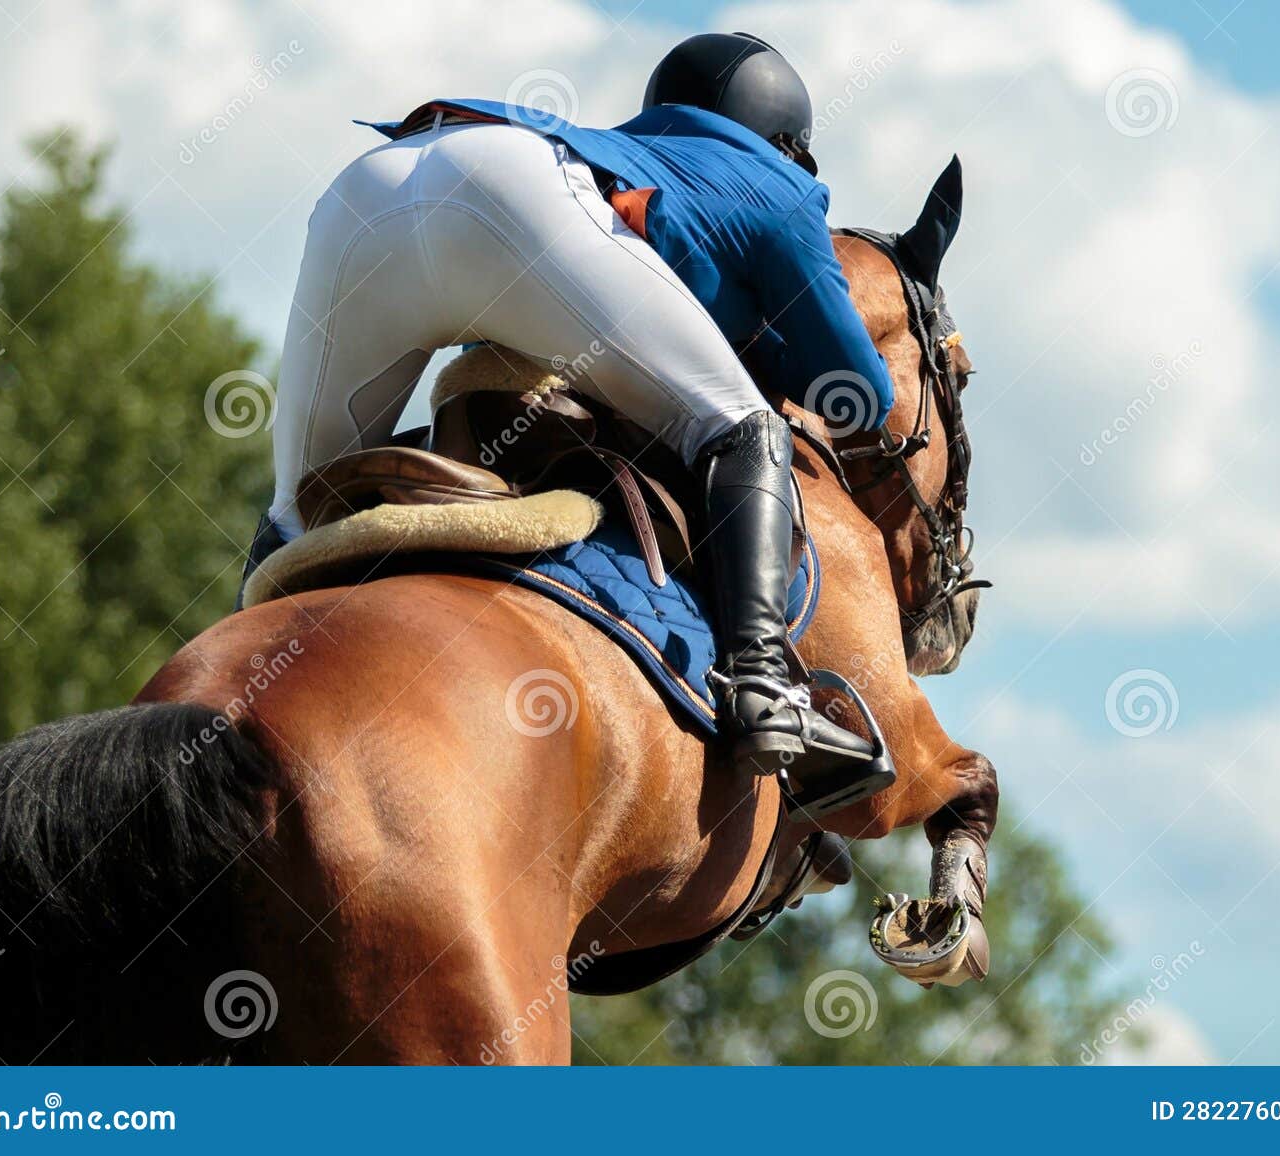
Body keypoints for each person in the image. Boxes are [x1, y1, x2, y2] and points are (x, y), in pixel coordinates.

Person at [242, 33, 897, 815]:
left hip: (373, 186)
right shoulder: (782, 185)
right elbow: (857, 390)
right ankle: (763, 683)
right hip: (511, 194)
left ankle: (233, 699)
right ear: (787, 142)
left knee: (298, 508)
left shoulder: (623, 150)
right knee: (743, 428)